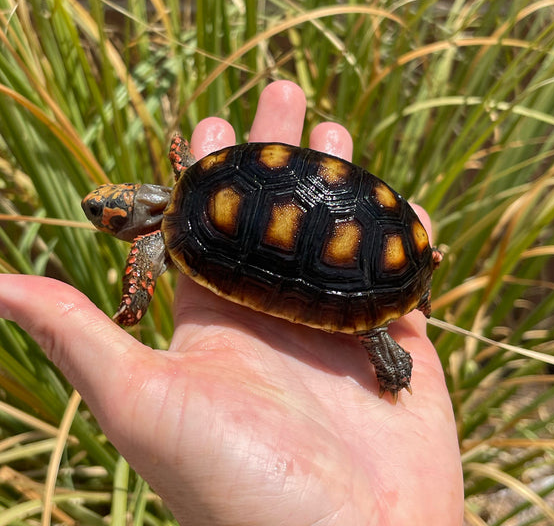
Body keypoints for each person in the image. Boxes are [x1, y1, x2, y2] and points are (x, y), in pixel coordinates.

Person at [0, 81, 464, 525]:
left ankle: (382, 343)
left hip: (361, 269)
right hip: (387, 226)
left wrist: (131, 308)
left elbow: (144, 266)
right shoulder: (199, 172)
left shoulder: (151, 242)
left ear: (126, 221)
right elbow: (183, 153)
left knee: (367, 322)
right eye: (100, 209)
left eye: (101, 212)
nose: (99, 213)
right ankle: (385, 310)